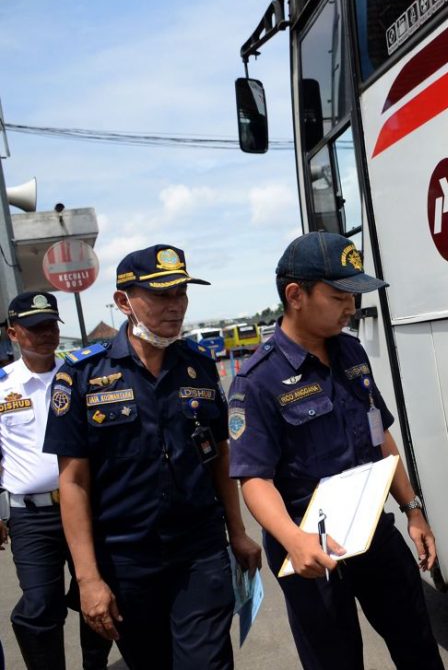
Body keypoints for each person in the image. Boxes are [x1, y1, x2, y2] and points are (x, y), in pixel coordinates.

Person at [228, 232, 443, 670]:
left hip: (372, 532)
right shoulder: (256, 381)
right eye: (339, 295)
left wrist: (413, 508)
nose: (351, 306)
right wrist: (294, 541)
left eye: (355, 295)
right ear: (295, 295)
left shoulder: (350, 351)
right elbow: (254, 479)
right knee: (334, 660)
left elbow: (379, 433)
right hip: (309, 546)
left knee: (417, 644)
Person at [43, 245, 262, 670]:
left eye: (181, 294)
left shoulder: (198, 366)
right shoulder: (81, 376)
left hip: (199, 551)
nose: (175, 306)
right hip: (125, 561)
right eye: (161, 295)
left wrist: (237, 531)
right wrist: (88, 579)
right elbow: (72, 483)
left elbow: (219, 455)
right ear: (123, 301)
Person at [0, 292, 113, 669]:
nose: (46, 334)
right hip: (32, 516)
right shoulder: (2, 387)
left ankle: (94, 664)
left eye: (51, 325)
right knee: (39, 606)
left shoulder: (82, 375)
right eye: (35, 328)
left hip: (86, 505)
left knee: (96, 591)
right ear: (13, 333)